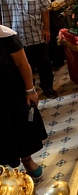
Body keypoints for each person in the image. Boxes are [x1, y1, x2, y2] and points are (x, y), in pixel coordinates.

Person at [0, 0, 57, 98]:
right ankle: (28, 89)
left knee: (44, 63)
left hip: (36, 33)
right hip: (14, 39)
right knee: (21, 66)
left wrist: (47, 29)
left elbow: (45, 9)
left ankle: (47, 87)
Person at [0, 24, 47, 181]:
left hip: (11, 94)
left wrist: (30, 90)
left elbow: (23, 64)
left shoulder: (6, 36)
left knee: (19, 126)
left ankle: (27, 161)